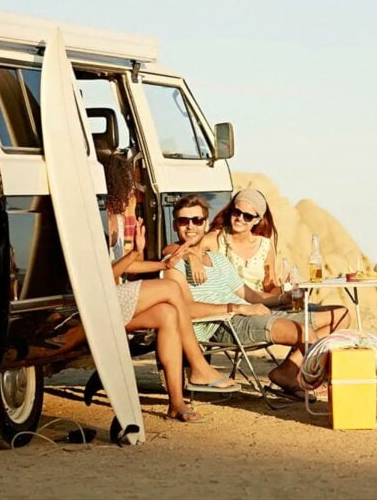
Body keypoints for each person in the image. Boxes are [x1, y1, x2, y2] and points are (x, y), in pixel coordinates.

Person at [162, 194, 353, 399]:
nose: (190, 226)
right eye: (184, 221)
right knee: (305, 334)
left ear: (205, 223)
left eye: (196, 220)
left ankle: (292, 373)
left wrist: (283, 298)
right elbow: (185, 309)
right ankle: (334, 387)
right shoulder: (174, 264)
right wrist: (238, 308)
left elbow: (250, 294)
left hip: (249, 312)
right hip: (221, 323)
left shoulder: (218, 259)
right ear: (175, 226)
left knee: (338, 317)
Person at [100, 153, 240, 422]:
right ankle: (199, 367)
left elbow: (126, 268)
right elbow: (100, 277)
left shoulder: (118, 219)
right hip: (99, 299)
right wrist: (138, 258)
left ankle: (176, 403)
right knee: (171, 292)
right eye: (130, 185)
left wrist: (160, 265)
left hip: (114, 298)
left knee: (168, 314)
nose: (135, 192)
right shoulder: (103, 220)